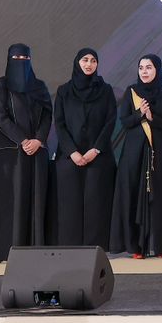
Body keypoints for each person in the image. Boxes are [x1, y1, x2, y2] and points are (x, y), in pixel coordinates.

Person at [0, 44, 53, 262]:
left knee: (34, 201)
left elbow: (47, 114)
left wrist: (38, 140)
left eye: (24, 58)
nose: (20, 62)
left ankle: (33, 249)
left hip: (35, 153)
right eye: (16, 58)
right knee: (8, 202)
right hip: (9, 155)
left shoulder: (39, 86)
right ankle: (5, 250)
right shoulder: (0, 85)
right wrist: (22, 140)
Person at [109, 54, 162, 258]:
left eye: (149, 67)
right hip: (134, 154)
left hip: (161, 153)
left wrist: (152, 117)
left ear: (157, 69)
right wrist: (139, 114)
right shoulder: (132, 91)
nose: (144, 71)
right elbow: (125, 121)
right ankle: (136, 247)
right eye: (141, 67)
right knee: (133, 196)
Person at [53, 48, 117, 249]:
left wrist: (95, 149)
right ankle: (70, 246)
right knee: (69, 204)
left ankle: (95, 247)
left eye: (93, 61)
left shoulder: (106, 90)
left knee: (95, 203)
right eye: (85, 60)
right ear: (77, 62)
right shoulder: (64, 91)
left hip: (98, 156)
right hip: (69, 156)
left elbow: (110, 121)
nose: (89, 64)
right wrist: (72, 152)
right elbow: (60, 123)